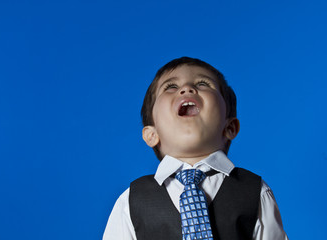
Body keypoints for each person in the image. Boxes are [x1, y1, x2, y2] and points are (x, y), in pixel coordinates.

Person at [103, 57, 288, 240]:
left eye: (202, 83)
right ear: (152, 134)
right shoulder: (132, 200)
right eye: (171, 87)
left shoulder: (255, 192)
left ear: (229, 127)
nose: (187, 89)